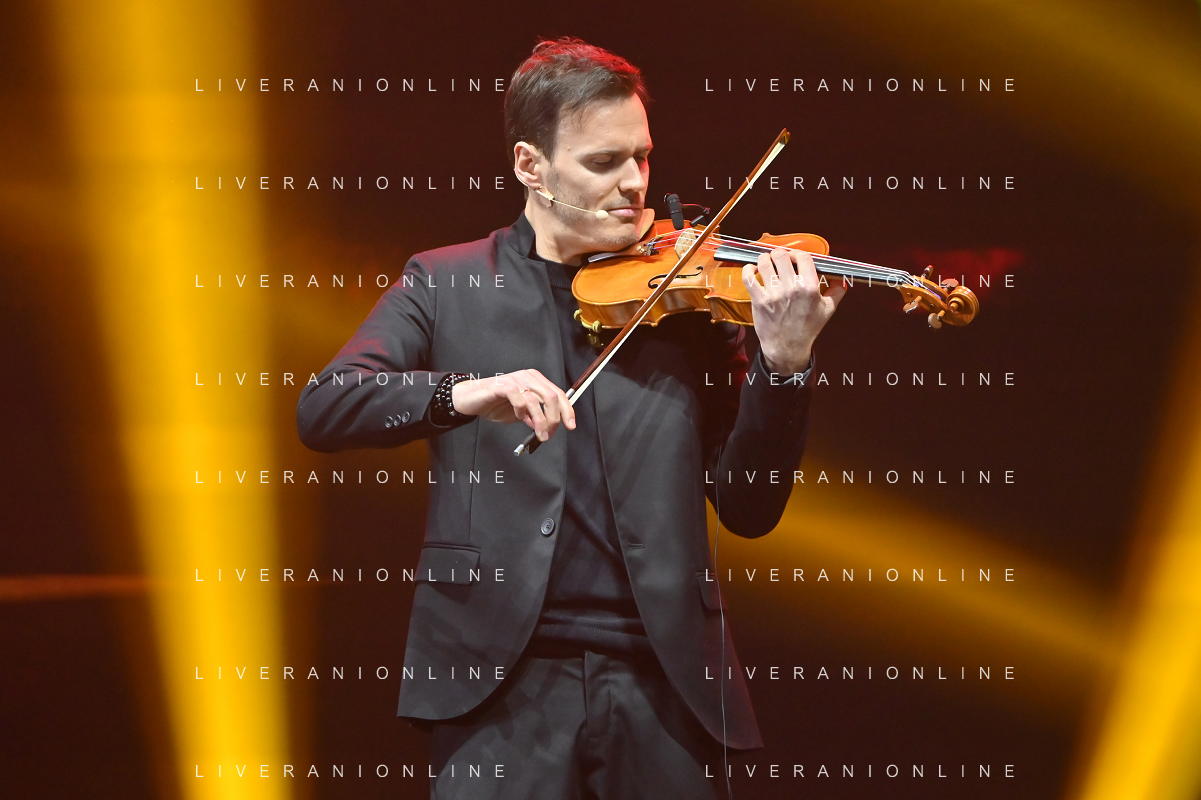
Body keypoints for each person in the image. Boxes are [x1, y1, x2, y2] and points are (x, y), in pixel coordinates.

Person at [297, 36, 845, 800]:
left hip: (664, 682)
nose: (633, 184)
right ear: (531, 165)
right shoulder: (447, 281)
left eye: (641, 157)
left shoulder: (686, 307)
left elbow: (749, 510)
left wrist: (783, 364)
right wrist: (465, 392)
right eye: (602, 162)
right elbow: (326, 406)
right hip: (495, 681)